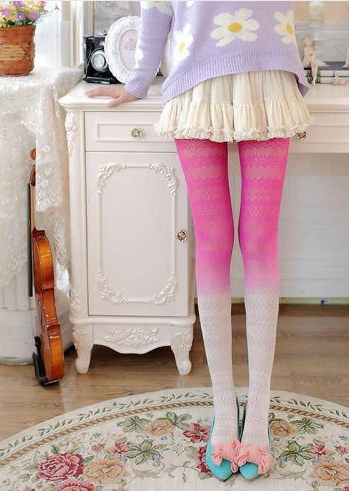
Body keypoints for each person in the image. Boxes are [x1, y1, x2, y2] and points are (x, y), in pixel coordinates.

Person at [85, 0, 313, 481]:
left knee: (259, 241)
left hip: (268, 76)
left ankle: (259, 408)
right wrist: (138, 80)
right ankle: (224, 407)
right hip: (194, 83)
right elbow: (156, 8)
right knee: (212, 241)